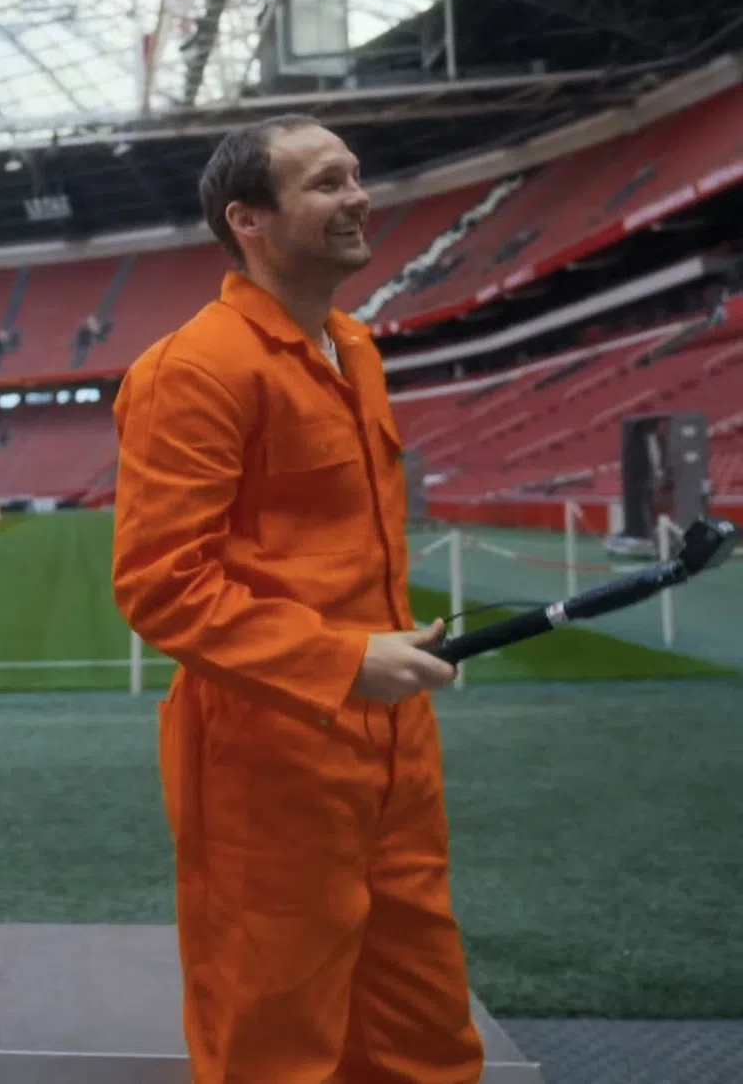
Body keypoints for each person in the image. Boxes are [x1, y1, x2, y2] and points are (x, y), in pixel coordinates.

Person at [109, 115, 482, 1083]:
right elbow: (161, 583)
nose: (360, 197)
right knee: (273, 1033)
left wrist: (384, 646)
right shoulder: (192, 368)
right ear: (250, 220)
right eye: (326, 183)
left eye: (356, 175)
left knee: (424, 1022)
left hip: (394, 744)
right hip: (267, 751)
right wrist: (347, 658)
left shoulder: (353, 347)